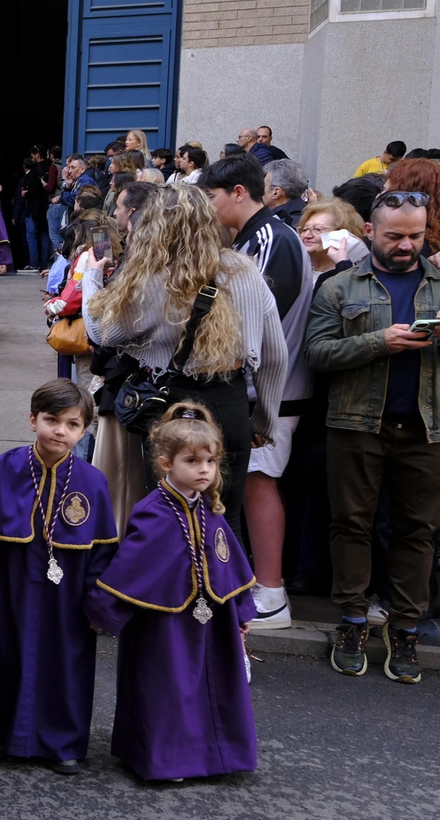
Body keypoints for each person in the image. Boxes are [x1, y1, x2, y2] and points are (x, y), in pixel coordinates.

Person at [80, 185, 287, 535]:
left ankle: (177, 590)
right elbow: (275, 356)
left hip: (170, 403)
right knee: (226, 518)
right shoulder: (244, 270)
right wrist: (264, 419)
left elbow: (102, 333)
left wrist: (91, 276)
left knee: (173, 516)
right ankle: (225, 588)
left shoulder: (152, 277)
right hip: (231, 399)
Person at [86, 403, 257, 782]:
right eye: (193, 461)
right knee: (169, 687)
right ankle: (167, 760)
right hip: (164, 625)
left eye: (210, 462)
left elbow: (229, 564)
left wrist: (241, 611)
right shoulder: (152, 512)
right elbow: (134, 566)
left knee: (214, 684)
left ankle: (215, 757)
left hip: (211, 621)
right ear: (165, 462)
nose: (204, 470)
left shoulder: (210, 509)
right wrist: (104, 610)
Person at [307, 188, 438, 684]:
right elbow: (316, 354)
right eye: (395, 236)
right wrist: (377, 342)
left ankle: (406, 628)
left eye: (417, 236)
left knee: (418, 530)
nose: (407, 245)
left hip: (427, 427)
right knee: (351, 525)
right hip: (356, 423)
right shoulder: (340, 287)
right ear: (369, 233)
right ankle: (353, 622)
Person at [0, 380, 118, 775]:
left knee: (66, 663)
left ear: (85, 430)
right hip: (13, 585)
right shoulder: (4, 467)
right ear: (32, 419)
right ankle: (1, 732)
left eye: (72, 424)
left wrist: (98, 602)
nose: (60, 431)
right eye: (51, 420)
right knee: (7, 652)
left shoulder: (93, 482)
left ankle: (62, 743)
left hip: (68, 593)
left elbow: (105, 547)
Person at [198, 154, 311, 630]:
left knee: (260, 484)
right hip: (264, 386)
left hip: (273, 390)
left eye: (212, 197)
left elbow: (248, 323)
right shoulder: (256, 236)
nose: (208, 207)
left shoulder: (269, 239)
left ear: (239, 193)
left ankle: (271, 593)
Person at [297, 199, 367, 279]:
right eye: (305, 229)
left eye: (317, 229)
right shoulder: (297, 268)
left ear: (342, 234)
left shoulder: (352, 274)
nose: (307, 235)